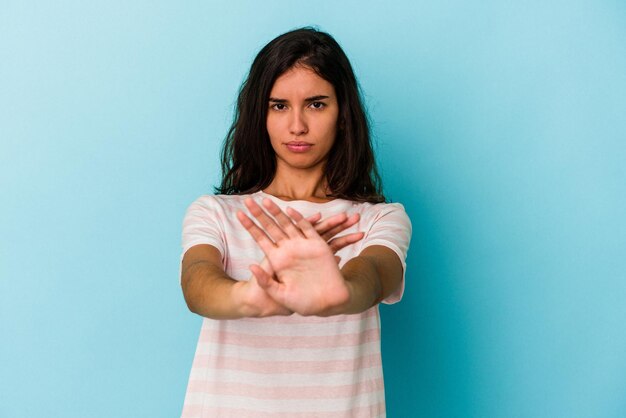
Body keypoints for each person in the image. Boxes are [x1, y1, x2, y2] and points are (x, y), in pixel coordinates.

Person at [180, 27, 411, 418]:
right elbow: (197, 283)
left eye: (317, 104)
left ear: (343, 114)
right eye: (279, 105)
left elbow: (372, 275)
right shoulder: (215, 212)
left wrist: (340, 290)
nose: (297, 126)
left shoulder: (380, 220)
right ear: (260, 115)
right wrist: (247, 297)